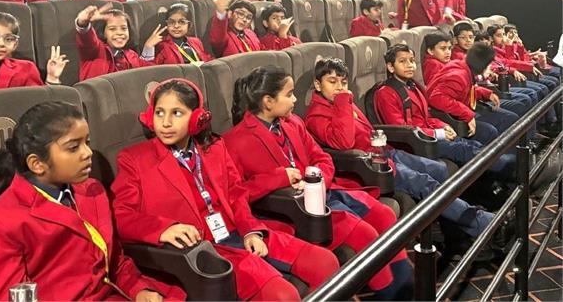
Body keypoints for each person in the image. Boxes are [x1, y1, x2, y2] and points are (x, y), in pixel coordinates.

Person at [111, 79, 340, 301]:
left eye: (177, 113)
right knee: (282, 295)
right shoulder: (134, 159)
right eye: (159, 113)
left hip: (237, 233)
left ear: (197, 118)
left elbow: (236, 194)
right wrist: (164, 229)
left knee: (325, 263)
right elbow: (121, 215)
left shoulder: (215, 147)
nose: (166, 122)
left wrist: (251, 231)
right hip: (203, 253)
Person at [225, 66, 413, 300]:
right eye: (289, 94)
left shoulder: (293, 122)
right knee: (364, 232)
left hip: (323, 192)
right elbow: (237, 194)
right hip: (291, 211)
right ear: (268, 101)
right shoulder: (235, 141)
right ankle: (394, 294)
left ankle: (405, 288)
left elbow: (322, 158)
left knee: (383, 215)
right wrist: (279, 178)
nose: (295, 99)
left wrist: (316, 179)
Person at [0, 101, 185, 301]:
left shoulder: (92, 191)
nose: (88, 153)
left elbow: (114, 260)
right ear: (37, 164)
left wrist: (139, 290)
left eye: (87, 143)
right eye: (73, 147)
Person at [304, 58, 503, 249]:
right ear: (318, 85)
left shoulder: (343, 101)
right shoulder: (317, 114)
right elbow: (343, 142)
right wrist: (343, 101)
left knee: (440, 171)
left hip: (386, 153)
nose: (340, 87)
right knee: (424, 182)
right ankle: (482, 224)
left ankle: (455, 235)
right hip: (370, 168)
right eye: (332, 82)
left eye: (343, 82)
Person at [374, 45, 515, 179]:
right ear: (391, 67)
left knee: (470, 145)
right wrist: (437, 133)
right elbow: (402, 129)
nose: (409, 65)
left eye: (412, 60)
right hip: (416, 142)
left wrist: (443, 126)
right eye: (402, 61)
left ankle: (503, 168)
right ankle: (508, 169)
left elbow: (427, 116)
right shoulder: (386, 92)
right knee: (463, 149)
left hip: (428, 134)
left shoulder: (413, 86)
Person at [427, 43, 520, 145]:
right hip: (450, 119)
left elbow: (463, 90)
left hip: (462, 111)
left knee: (511, 117)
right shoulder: (459, 76)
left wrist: (487, 94)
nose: (490, 67)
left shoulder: (463, 67)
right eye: (488, 64)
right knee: (494, 129)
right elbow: (436, 98)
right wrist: (467, 115)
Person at [74, 3, 157, 81]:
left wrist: (148, 47)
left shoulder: (131, 55)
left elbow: (152, 71)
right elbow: (87, 40)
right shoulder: (96, 51)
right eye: (112, 29)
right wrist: (83, 24)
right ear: (103, 32)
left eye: (124, 28)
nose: (119, 33)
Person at [141, 3, 213, 65]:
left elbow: (208, 60)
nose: (176, 26)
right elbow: (151, 69)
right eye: (171, 22)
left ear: (189, 24)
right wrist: (148, 47)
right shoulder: (163, 45)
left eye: (182, 22)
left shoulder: (196, 42)